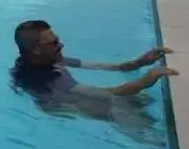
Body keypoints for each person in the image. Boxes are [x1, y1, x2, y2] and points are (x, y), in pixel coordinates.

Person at [10, 20, 175, 101]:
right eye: (54, 43)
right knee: (121, 108)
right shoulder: (47, 80)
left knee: (141, 100)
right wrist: (147, 80)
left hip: (76, 96)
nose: (61, 44)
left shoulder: (46, 59)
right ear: (37, 49)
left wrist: (141, 62)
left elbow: (105, 66)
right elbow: (110, 93)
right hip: (71, 107)